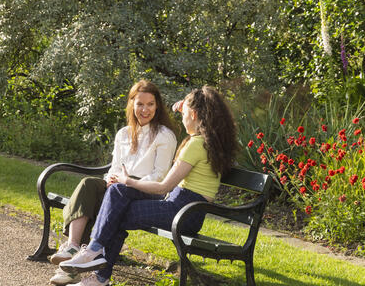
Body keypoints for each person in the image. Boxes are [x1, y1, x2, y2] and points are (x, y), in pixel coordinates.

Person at [60, 85, 238, 286]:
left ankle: (96, 262)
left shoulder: (195, 145)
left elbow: (163, 187)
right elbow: (187, 111)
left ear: (195, 114)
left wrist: (128, 181)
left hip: (183, 210)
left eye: (185, 113)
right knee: (117, 201)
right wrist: (182, 106)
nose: (181, 116)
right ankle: (96, 261)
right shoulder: (207, 141)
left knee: (118, 204)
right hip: (187, 209)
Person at [48, 79, 176, 286]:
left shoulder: (164, 135)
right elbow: (114, 168)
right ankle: (73, 247)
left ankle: (77, 266)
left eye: (150, 104)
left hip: (147, 190)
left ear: (157, 106)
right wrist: (110, 180)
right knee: (89, 184)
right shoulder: (123, 134)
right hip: (119, 187)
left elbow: (159, 176)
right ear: (132, 105)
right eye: (140, 104)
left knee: (113, 196)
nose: (145, 109)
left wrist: (128, 183)